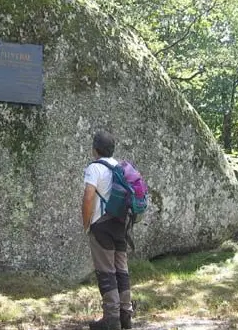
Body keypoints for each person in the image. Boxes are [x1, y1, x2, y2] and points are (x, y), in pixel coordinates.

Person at [82, 130, 134, 330]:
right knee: (122, 270)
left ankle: (112, 319)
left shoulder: (94, 168)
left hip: (101, 225)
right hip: (120, 225)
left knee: (106, 272)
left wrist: (86, 224)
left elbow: (88, 198)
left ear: (95, 149)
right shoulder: (119, 167)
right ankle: (125, 316)